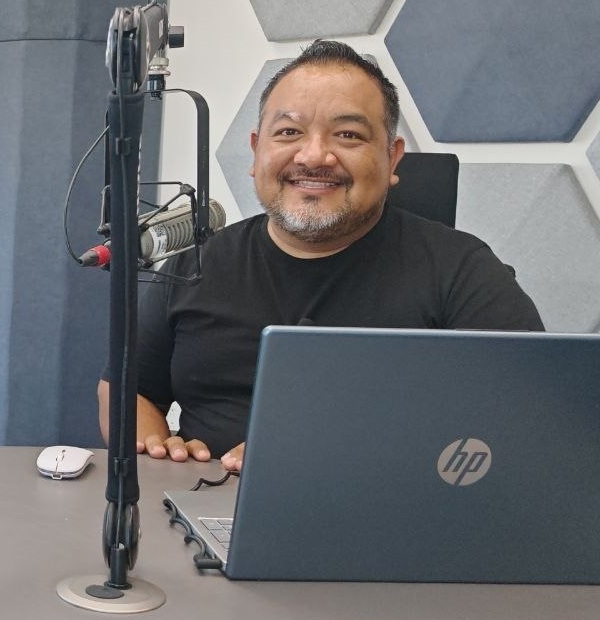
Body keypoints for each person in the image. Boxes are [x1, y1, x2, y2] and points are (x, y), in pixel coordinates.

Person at [96, 39, 542, 472]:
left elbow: (527, 413)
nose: (314, 156)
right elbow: (126, 388)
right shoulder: (196, 265)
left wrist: (324, 456)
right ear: (256, 151)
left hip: (381, 510)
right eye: (289, 132)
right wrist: (157, 454)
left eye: (348, 134)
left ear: (392, 159)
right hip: (204, 504)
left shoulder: (462, 271)